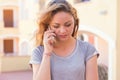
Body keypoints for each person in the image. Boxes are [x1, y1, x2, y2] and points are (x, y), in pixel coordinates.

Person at [29, 0, 99, 80]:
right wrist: (47, 54)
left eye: (68, 25)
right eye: (56, 26)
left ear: (75, 22)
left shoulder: (88, 49)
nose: (63, 31)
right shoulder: (38, 52)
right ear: (48, 26)